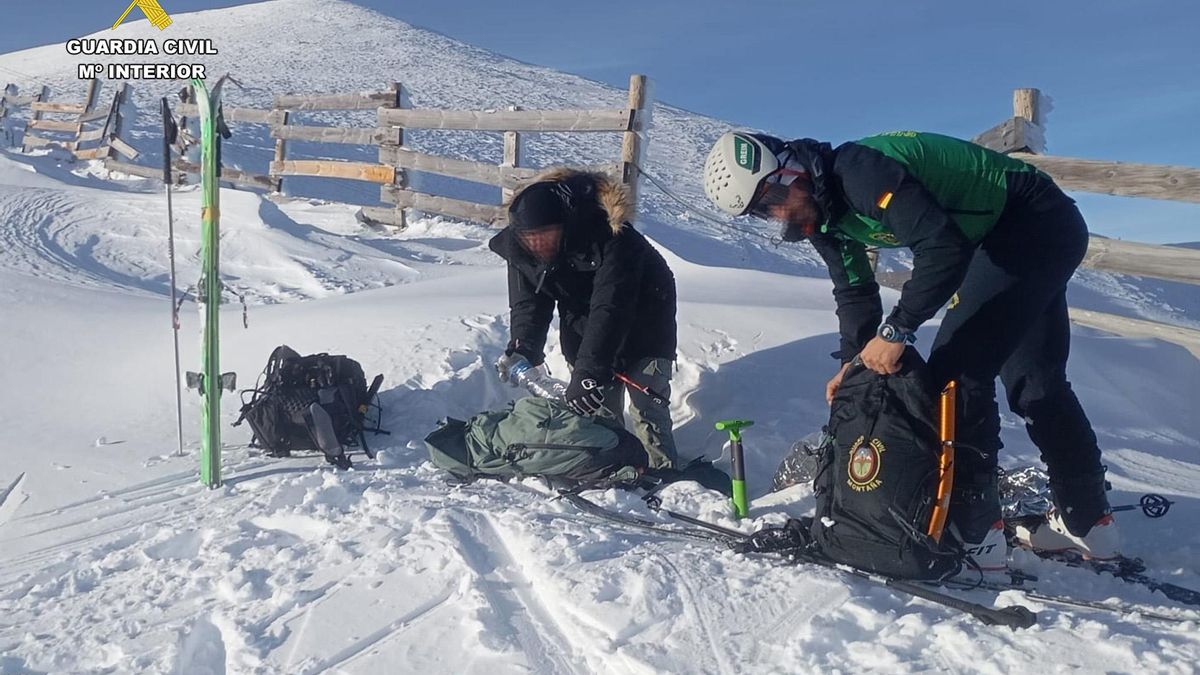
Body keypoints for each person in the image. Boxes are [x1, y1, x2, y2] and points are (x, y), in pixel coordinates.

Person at [702, 130, 1119, 566]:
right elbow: (854, 291)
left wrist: (897, 330)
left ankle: (977, 536)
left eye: (771, 199)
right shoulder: (820, 215)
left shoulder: (859, 172)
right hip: (1011, 234)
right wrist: (854, 362)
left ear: (789, 170)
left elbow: (942, 248)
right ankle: (1089, 523)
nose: (776, 214)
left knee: (956, 374)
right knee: (1036, 383)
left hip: (1030, 221)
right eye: (760, 213)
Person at [489, 168, 679, 469]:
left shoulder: (614, 238)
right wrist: (523, 348)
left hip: (646, 321)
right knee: (598, 410)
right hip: (582, 324)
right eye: (530, 239)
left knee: (647, 409)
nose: (538, 245)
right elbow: (528, 305)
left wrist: (589, 371)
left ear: (565, 223)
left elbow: (611, 308)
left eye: (546, 235)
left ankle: (664, 472)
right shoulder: (522, 249)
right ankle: (617, 469)